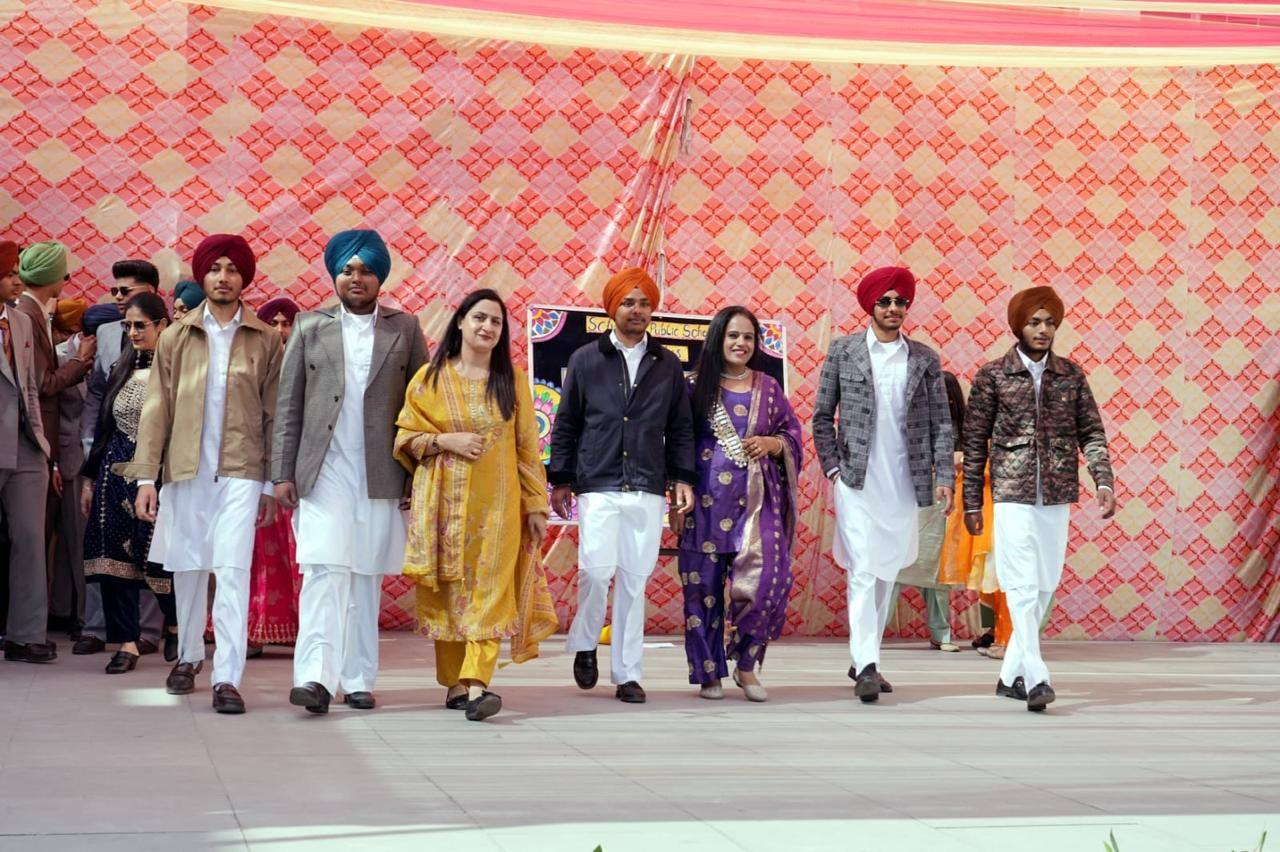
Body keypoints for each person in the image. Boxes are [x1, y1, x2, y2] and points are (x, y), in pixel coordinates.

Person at [122, 234, 282, 714]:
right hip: (185, 469)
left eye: (232, 269)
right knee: (188, 568)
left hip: (242, 470)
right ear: (202, 275)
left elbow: (274, 415)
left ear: (244, 277)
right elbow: (157, 409)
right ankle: (189, 657)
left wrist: (270, 483)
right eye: (215, 269)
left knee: (232, 570)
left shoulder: (265, 338)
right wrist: (146, 478)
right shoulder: (176, 336)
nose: (223, 277)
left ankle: (227, 676)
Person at [274, 230, 427, 714]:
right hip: (323, 471)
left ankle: (358, 679)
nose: (355, 278)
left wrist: (416, 477)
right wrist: (282, 472)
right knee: (324, 571)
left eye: (365, 270)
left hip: (381, 472)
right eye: (346, 270)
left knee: (365, 575)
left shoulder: (405, 328)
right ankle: (315, 679)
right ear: (334, 275)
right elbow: (288, 405)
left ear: (380, 276)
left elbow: (422, 406)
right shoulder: (308, 326)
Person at [395, 288, 556, 721]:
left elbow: (527, 448)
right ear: (461, 321)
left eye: (496, 322)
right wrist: (446, 440)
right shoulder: (430, 379)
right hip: (443, 510)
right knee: (448, 593)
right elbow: (405, 438)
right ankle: (456, 684)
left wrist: (535, 505)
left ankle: (479, 684)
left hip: (499, 511)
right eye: (480, 318)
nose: (487, 327)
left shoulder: (512, 380)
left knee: (490, 594)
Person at [963, 285, 1115, 712]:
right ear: (1019, 326)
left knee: (1045, 583)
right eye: (1034, 322)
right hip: (1011, 492)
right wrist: (972, 501)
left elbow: (1092, 432)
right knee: (1021, 585)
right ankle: (1037, 677)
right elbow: (974, 442)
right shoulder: (993, 375)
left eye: (1049, 322)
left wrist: (1103, 481)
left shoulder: (1071, 375)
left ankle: (1009, 675)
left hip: (1057, 491)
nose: (1043, 329)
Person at [550, 267, 696, 704]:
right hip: (598, 481)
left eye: (645, 303)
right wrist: (561, 478)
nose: (637, 310)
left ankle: (628, 674)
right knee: (596, 572)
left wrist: (682, 478)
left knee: (635, 580)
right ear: (612, 308)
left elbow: (680, 427)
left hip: (647, 484)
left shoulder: (666, 364)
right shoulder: (586, 359)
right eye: (629, 302)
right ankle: (586, 641)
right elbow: (567, 422)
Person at [812, 266, 954, 703]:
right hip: (856, 480)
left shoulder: (924, 359)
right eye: (885, 301)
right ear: (870, 306)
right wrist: (833, 469)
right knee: (862, 568)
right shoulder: (844, 351)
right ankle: (868, 666)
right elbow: (821, 417)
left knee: (886, 571)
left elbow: (941, 423)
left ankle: (864, 657)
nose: (894, 308)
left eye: (900, 302)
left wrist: (944, 475)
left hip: (903, 482)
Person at [670, 306, 802, 702]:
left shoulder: (769, 388)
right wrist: (676, 493)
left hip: (758, 503)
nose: (741, 343)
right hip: (704, 502)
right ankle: (709, 672)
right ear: (718, 339)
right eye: (733, 336)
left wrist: (773, 443)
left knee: (768, 581)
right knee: (703, 588)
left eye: (748, 337)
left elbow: (792, 433)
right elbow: (677, 441)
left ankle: (746, 665)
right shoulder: (693, 387)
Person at [80, 293, 177, 673]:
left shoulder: (178, 369)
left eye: (141, 325)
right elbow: (104, 427)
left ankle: (175, 624)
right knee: (112, 561)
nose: (133, 332)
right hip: (114, 474)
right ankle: (127, 643)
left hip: (161, 475)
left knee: (159, 558)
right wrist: (90, 479)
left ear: (162, 325)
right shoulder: (121, 367)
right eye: (128, 325)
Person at [0, 240, 55, 661]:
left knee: (31, 539)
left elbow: (31, 385)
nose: (17, 280)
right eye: (8, 274)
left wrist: (42, 441)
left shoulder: (18, 321)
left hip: (26, 444)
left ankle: (26, 635)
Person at [886, 371, 968, 653]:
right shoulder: (912, 422)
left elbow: (973, 459)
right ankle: (871, 632)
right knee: (897, 566)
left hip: (946, 505)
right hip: (912, 500)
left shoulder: (963, 428)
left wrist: (958, 461)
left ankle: (941, 634)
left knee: (937, 571)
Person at [246, 296, 303, 652]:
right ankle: (254, 631)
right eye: (274, 323)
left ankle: (299, 630)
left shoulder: (308, 364)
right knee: (256, 553)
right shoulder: (252, 365)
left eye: (287, 323)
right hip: (256, 467)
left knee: (296, 553)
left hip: (296, 473)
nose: (281, 330)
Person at [49, 298, 90, 636]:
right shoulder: (60, 355)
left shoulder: (116, 353)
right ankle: (72, 613)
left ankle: (81, 613)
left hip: (97, 458)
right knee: (70, 541)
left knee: (80, 539)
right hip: (66, 456)